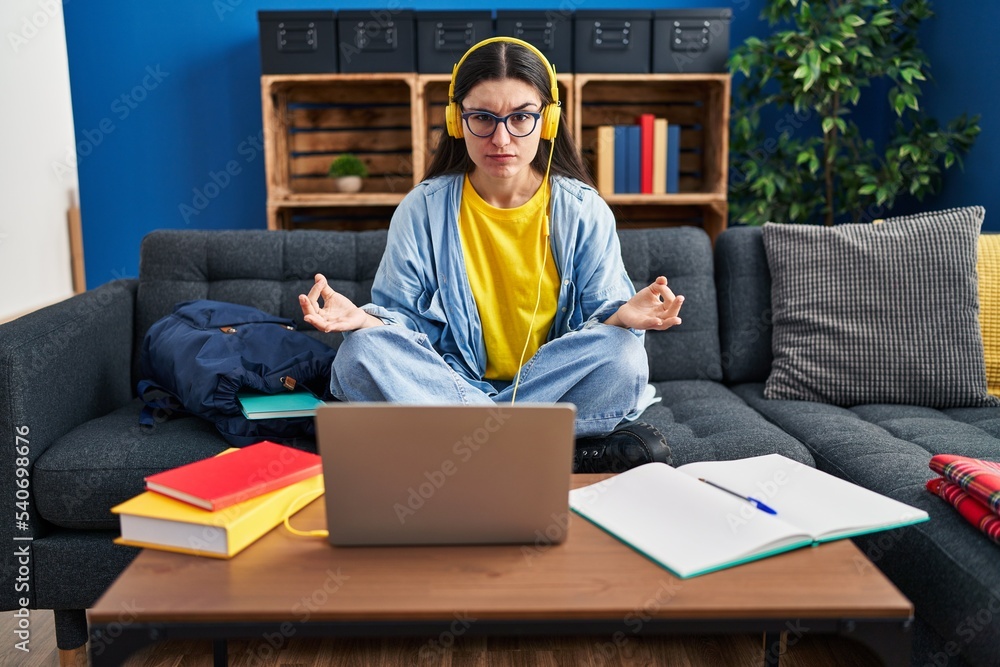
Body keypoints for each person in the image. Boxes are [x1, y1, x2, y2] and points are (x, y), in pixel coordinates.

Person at [298, 37, 684, 472]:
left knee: (624, 355)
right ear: (456, 121)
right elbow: (399, 327)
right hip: (447, 383)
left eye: (521, 117)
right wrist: (364, 319)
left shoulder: (583, 209)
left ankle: (461, 443)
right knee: (359, 353)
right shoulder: (421, 209)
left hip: (545, 388)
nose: (501, 138)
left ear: (548, 121)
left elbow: (603, 327)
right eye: (482, 117)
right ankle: (533, 446)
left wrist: (622, 317)